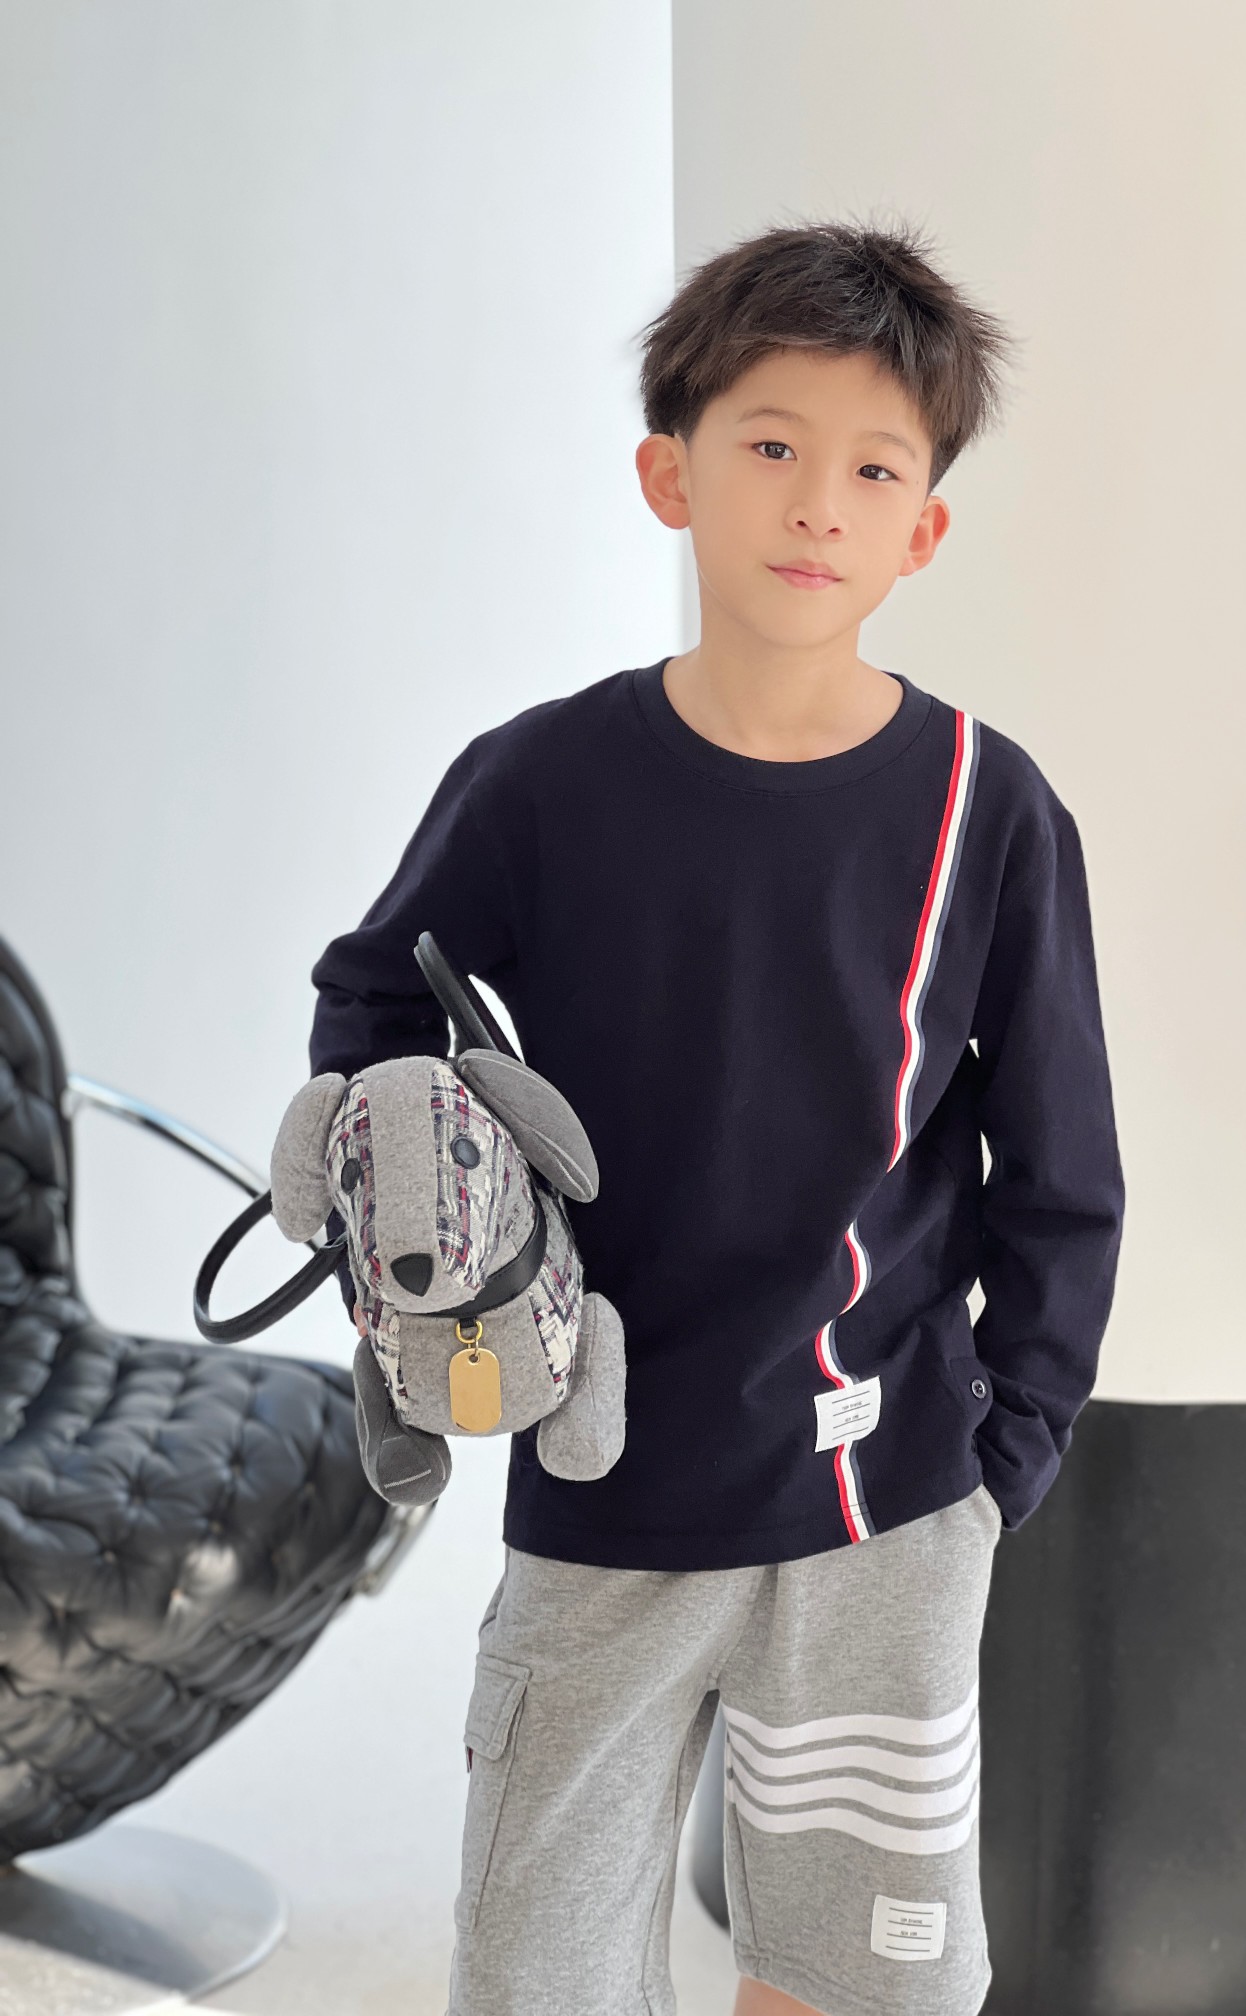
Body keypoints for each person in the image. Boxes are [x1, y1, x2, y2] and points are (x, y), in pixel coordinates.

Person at [306, 214, 1125, 2016]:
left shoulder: (989, 809)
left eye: (873, 468)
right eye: (769, 445)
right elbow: (373, 1002)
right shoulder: (541, 781)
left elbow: (1062, 1170)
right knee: (539, 1973)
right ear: (669, 474)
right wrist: (422, 1216)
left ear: (922, 529)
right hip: (604, 1486)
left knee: (851, 1980)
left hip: (884, 1505)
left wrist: (1007, 1456)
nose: (817, 503)